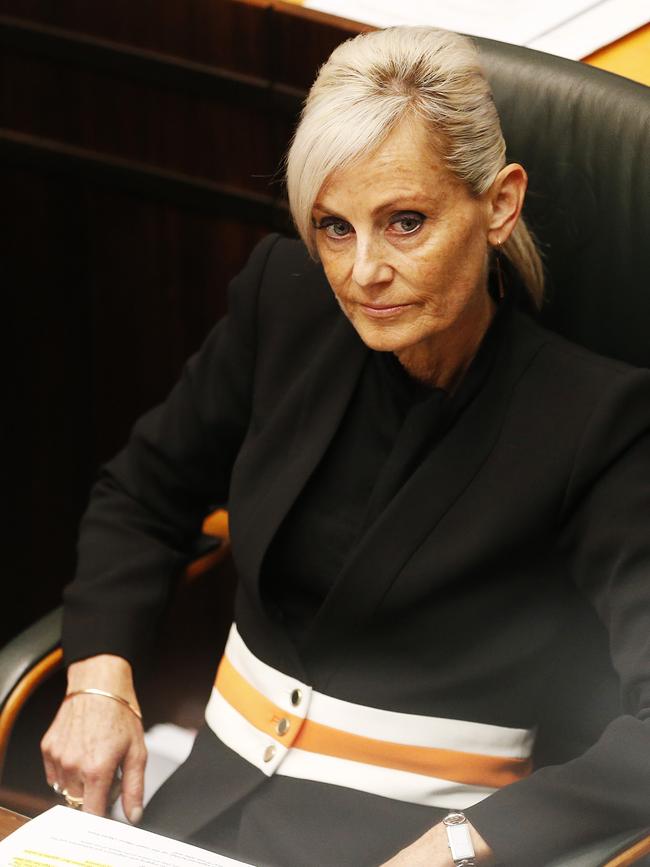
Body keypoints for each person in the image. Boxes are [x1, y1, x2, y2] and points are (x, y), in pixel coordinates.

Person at [40, 25, 650, 867]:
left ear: (500, 203)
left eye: (405, 222)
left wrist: (473, 843)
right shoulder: (284, 303)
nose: (364, 271)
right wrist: (97, 680)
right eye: (334, 226)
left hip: (407, 846)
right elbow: (142, 494)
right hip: (194, 814)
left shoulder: (598, 421)